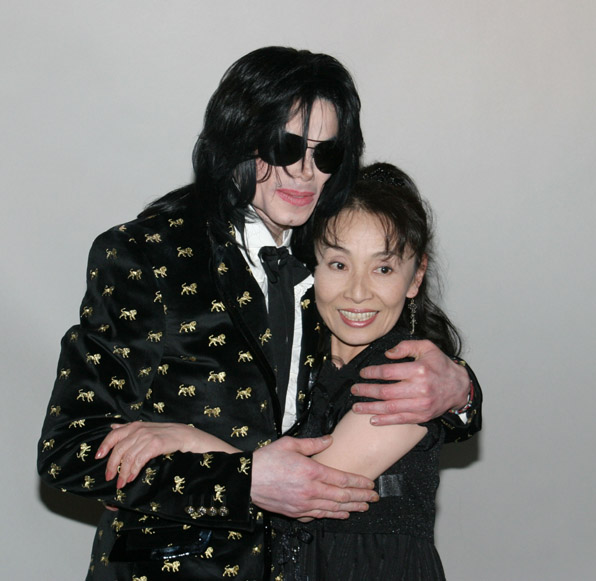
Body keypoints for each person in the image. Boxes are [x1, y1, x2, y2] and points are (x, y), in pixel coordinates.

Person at [37, 47, 479, 580]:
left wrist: (462, 391)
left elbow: (384, 372)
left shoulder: (334, 252)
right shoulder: (147, 255)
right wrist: (243, 478)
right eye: (283, 146)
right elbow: (71, 452)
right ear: (234, 138)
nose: (304, 171)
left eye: (325, 153)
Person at [270, 163, 477, 580]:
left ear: (415, 276)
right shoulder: (280, 359)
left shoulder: (413, 376)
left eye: (383, 269)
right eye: (338, 264)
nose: (358, 292)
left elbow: (307, 490)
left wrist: (179, 446)